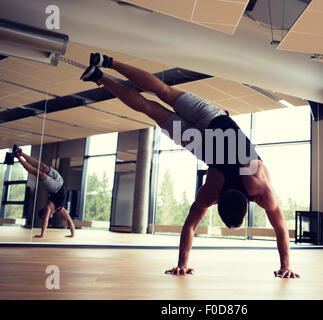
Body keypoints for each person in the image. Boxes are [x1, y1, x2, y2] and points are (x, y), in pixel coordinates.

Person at [80, 53, 299, 279]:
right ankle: (100, 77)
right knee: (149, 108)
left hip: (215, 120)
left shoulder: (258, 185)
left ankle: (108, 62)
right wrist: (181, 265)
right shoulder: (211, 192)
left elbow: (281, 229)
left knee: (164, 91)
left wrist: (286, 265)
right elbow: (190, 226)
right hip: (198, 142)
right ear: (218, 203)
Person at [11, 145, 75, 238]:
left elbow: (45, 219)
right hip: (60, 181)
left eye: (47, 215)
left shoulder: (49, 207)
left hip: (55, 186)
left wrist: (42, 234)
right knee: (41, 168)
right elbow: (69, 220)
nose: (48, 216)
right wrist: (73, 234)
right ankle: (19, 153)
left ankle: (19, 155)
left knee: (38, 171)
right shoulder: (60, 209)